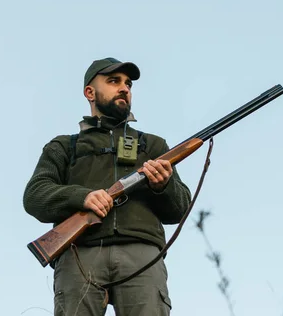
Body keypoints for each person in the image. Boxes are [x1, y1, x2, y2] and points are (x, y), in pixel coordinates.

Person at [23, 57, 192, 315]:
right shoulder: (64, 146)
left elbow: (180, 208)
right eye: (113, 81)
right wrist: (82, 198)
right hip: (79, 253)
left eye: (128, 84)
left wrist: (163, 185)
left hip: (142, 255)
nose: (124, 88)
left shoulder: (154, 145)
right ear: (89, 92)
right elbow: (35, 195)